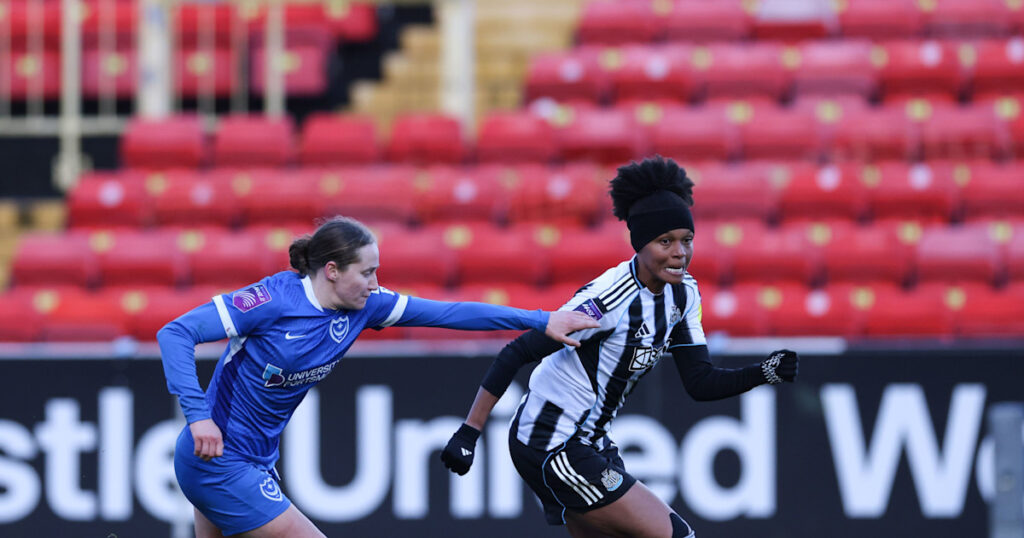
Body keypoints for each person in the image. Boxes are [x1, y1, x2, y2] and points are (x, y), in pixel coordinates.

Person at [157, 215, 599, 538]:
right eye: (367, 272)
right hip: (216, 459)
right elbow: (175, 333)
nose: (375, 282)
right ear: (332, 271)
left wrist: (542, 319)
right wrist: (198, 415)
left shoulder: (368, 305)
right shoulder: (272, 300)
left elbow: (449, 312)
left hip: (255, 459)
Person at [440, 156, 799, 538]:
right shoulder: (607, 300)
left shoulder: (683, 295)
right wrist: (469, 432)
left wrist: (763, 373)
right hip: (550, 440)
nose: (679, 252)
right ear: (640, 244)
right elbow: (518, 352)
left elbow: (699, 381)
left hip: (590, 441)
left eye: (686, 240)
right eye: (666, 242)